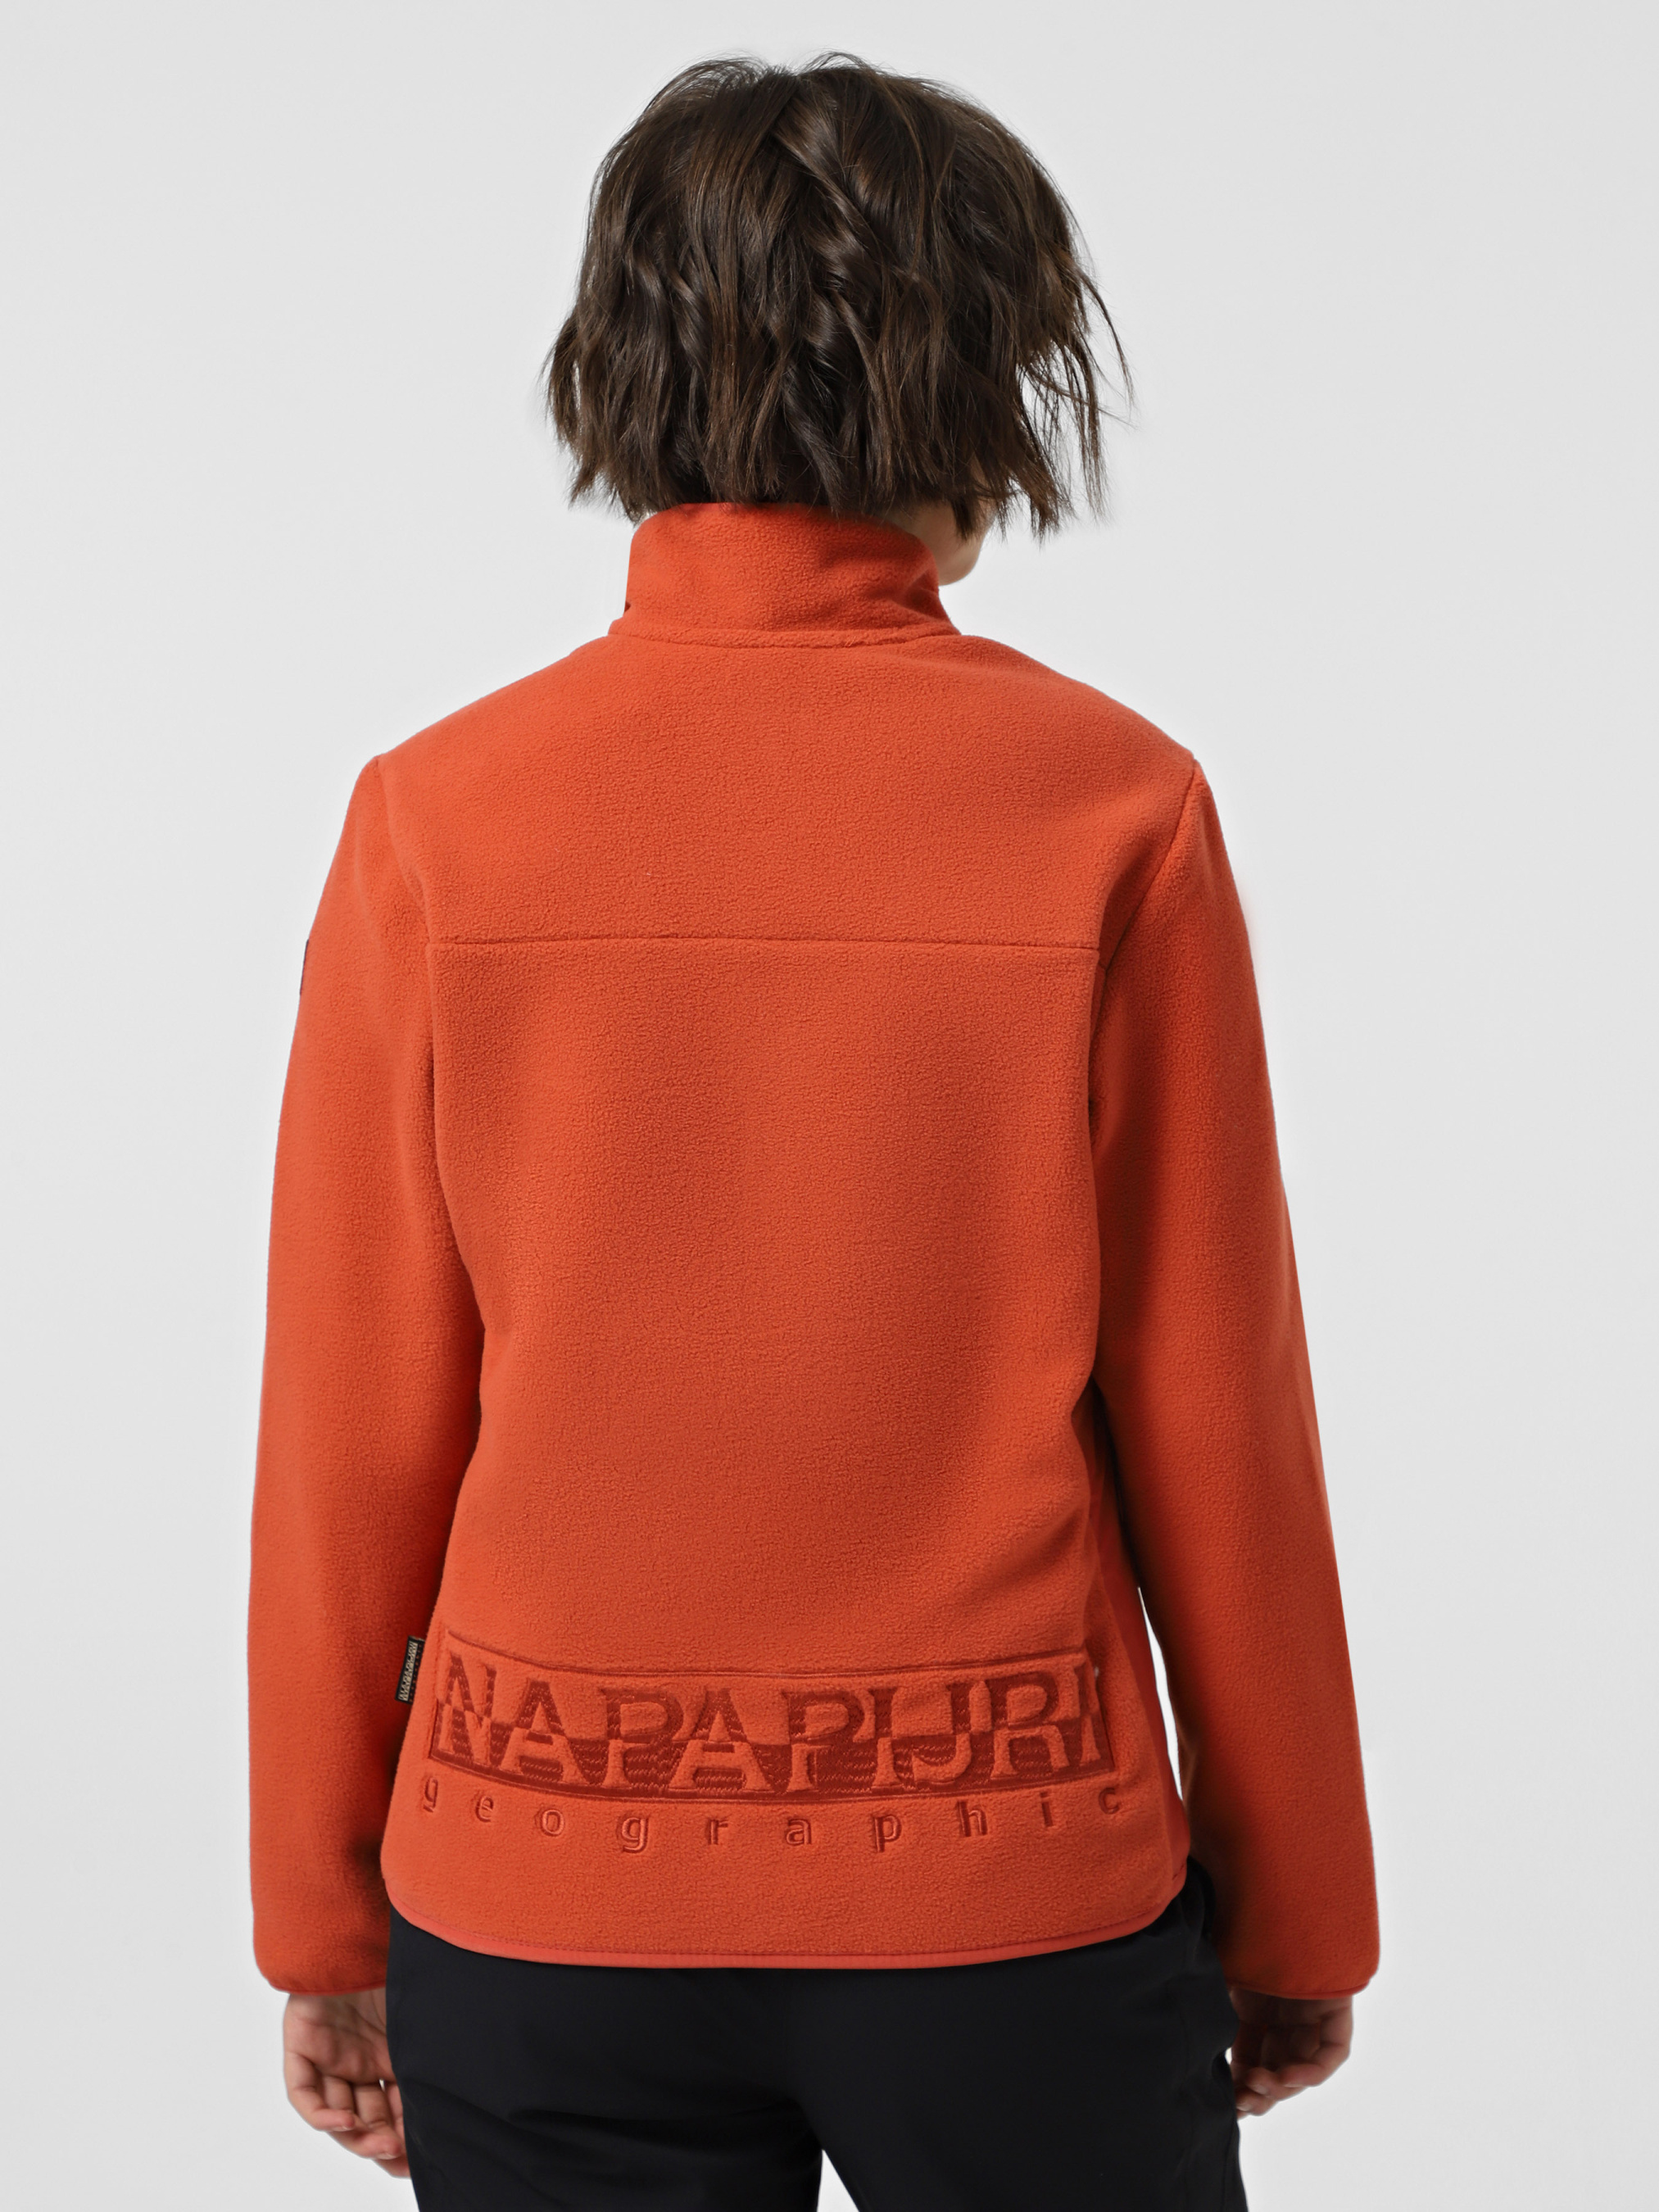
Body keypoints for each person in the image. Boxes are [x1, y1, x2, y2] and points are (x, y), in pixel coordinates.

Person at [249, 52, 1378, 2209]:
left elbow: (351, 1421)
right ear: (988, 388)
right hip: (1013, 1909)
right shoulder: (1111, 809)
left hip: (539, 1901)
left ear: (624, 373)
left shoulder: (436, 821)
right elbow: (1213, 1408)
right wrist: (1298, 1900)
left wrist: (322, 1912)